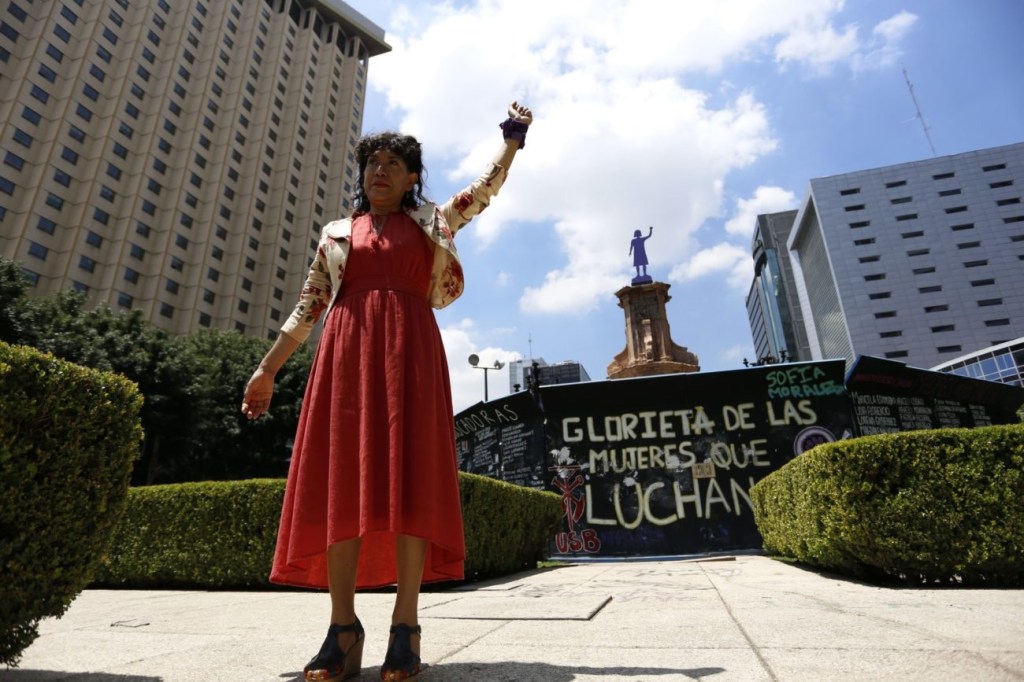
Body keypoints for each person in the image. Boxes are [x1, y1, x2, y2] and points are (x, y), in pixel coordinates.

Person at [241, 101, 532, 682]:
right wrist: (266, 370)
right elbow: (307, 307)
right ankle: (342, 629)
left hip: (411, 357)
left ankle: (406, 626)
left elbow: (483, 191)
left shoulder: (433, 222)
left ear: (412, 177)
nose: (380, 170)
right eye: (373, 162)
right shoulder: (335, 234)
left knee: (411, 483)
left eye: (393, 163)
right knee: (341, 485)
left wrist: (511, 140)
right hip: (345, 358)